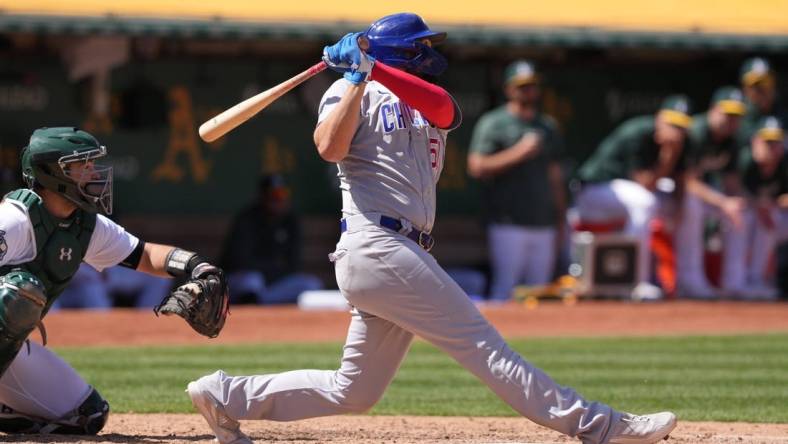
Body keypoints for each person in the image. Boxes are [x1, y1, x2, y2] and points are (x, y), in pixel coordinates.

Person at [186, 13, 677, 444]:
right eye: (420, 47)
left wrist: (372, 67)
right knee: (486, 348)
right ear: (400, 52)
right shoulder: (346, 89)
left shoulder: (424, 100)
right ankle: (599, 425)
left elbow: (445, 110)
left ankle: (225, 396)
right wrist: (358, 78)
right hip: (376, 242)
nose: (429, 54)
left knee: (354, 391)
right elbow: (329, 148)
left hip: (397, 251)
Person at [0, 127, 226, 434]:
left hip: (9, 353)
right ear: (52, 172)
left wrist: (197, 266)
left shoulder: (83, 224)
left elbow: (144, 255)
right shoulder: (14, 219)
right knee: (17, 294)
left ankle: (8, 409)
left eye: (92, 162)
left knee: (86, 416)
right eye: (81, 164)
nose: (92, 171)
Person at [575, 95, 694, 300]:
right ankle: (635, 280)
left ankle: (689, 280)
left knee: (691, 205)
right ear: (659, 119)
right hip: (593, 193)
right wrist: (668, 155)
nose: (676, 131)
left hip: (627, 197)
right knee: (644, 201)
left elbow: (681, 181)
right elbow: (645, 184)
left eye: (681, 126)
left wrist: (679, 210)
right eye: (672, 124)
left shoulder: (682, 141)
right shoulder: (637, 133)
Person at [467, 60, 566, 301]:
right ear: (509, 89)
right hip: (507, 221)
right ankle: (499, 341)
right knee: (506, 290)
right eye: (521, 86)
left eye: (531, 85)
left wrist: (561, 216)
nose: (527, 91)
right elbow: (476, 166)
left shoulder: (547, 126)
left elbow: (555, 175)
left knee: (540, 292)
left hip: (543, 221)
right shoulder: (494, 122)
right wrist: (519, 152)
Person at [674, 87, 748, 298]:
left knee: (740, 210)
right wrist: (724, 202)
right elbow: (688, 182)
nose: (731, 120)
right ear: (713, 110)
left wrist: (733, 203)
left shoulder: (731, 140)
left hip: (705, 194)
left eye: (736, 116)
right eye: (727, 114)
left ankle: (735, 283)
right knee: (692, 204)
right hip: (671, 191)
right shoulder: (696, 132)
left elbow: (731, 183)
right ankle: (690, 279)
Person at [219, 174, 322, 304]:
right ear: (263, 196)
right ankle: (255, 304)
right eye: (273, 195)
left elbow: (293, 264)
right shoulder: (247, 219)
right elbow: (240, 262)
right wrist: (274, 268)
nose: (278, 199)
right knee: (252, 282)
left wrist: (274, 271)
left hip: (274, 283)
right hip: (246, 279)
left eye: (282, 194)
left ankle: (260, 301)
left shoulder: (290, 221)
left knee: (311, 284)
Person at [724, 117, 788, 299]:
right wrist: (760, 205)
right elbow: (732, 191)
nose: (771, 147)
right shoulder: (744, 160)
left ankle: (757, 280)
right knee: (743, 214)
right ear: (755, 142)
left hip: (771, 215)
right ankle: (734, 281)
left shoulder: (784, 163)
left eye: (776, 142)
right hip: (737, 212)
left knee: (772, 216)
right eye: (767, 142)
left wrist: (771, 203)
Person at [738, 57, 787, 145]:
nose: (762, 90)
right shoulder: (735, 118)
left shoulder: (784, 116)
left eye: (766, 82)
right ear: (745, 89)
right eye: (755, 85)